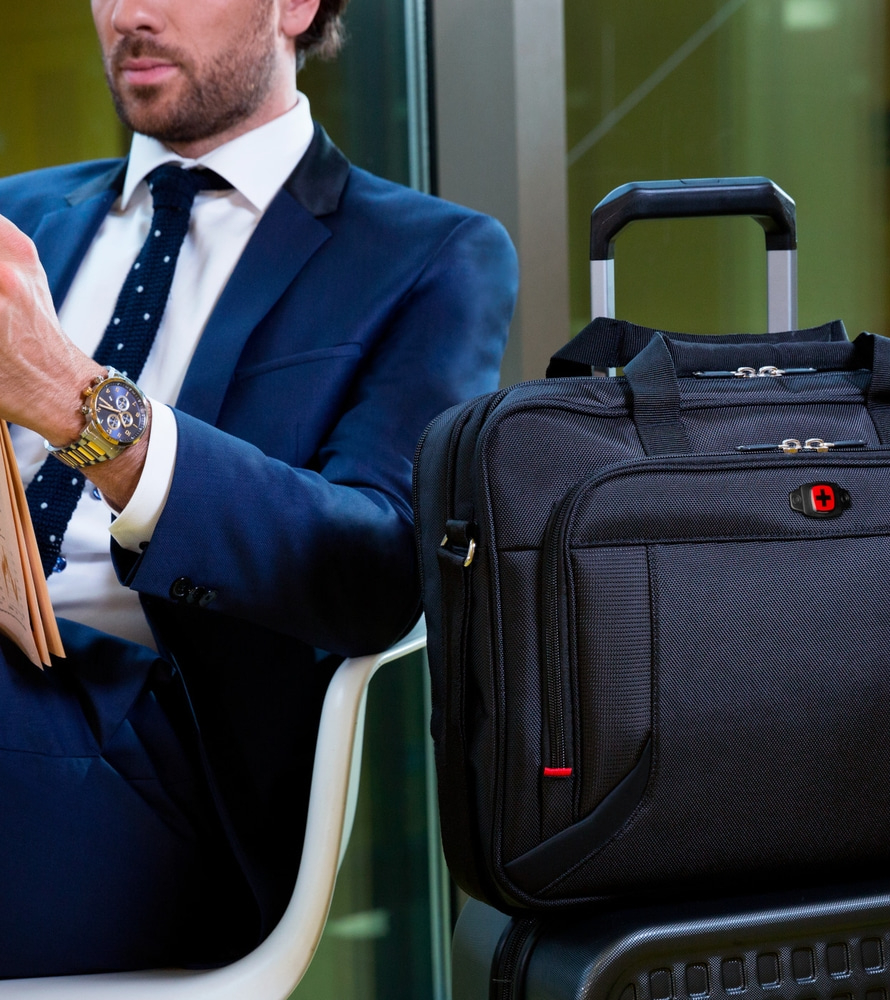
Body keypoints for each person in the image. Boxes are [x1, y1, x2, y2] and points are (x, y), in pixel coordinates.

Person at [0, 0, 517, 979]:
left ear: (296, 6)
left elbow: (373, 562)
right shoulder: (18, 220)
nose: (131, 13)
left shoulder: (428, 257)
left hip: (171, 766)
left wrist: (84, 410)